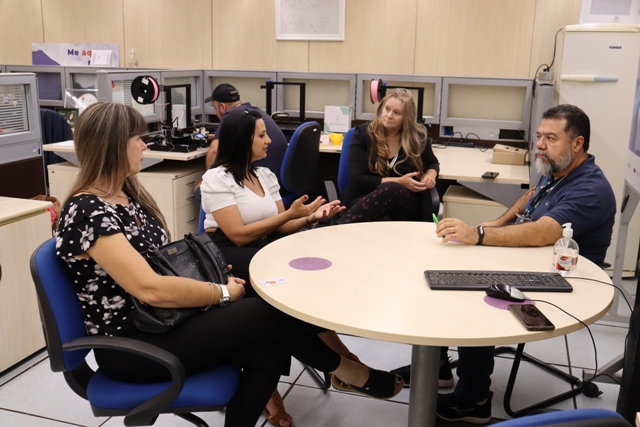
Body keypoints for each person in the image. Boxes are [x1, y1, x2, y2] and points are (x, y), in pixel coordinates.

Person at [54, 102, 403, 427]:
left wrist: (214, 279)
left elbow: (162, 264)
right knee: (267, 311)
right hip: (134, 344)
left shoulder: (127, 196)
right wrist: (220, 293)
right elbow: (150, 288)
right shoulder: (87, 211)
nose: (145, 146)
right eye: (138, 139)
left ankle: (338, 375)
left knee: (269, 349)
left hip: (162, 322)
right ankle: (349, 372)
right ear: (113, 144)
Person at [420, 104, 615, 424]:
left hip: (563, 283)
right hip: (531, 261)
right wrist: (493, 224)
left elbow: (543, 232)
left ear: (577, 144)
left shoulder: (590, 189)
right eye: (539, 136)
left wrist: (480, 235)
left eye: (550, 138)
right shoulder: (558, 170)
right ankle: (438, 366)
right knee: (445, 269)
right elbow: (530, 199)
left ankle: (473, 400)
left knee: (472, 296)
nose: (540, 144)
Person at [201, 108, 374, 426]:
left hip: (263, 247)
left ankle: (333, 365)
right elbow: (237, 235)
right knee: (285, 291)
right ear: (243, 140)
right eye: (262, 135)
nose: (269, 140)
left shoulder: (264, 175)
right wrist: (290, 215)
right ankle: (341, 363)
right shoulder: (217, 178)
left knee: (302, 284)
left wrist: (310, 217)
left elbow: (279, 228)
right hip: (226, 252)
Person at [335, 88, 440, 224]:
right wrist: (399, 181)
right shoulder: (363, 134)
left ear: (406, 118)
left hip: (403, 202)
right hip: (364, 196)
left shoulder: (417, 138)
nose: (389, 115)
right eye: (387, 109)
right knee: (380, 219)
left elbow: (433, 163)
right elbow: (357, 179)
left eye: (396, 113)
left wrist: (431, 175)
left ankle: (339, 227)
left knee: (391, 189)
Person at [193, 83, 288, 206]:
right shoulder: (254, 112)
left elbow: (214, 151)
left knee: (201, 191)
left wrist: (209, 179)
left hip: (262, 184)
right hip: (277, 180)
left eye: (215, 108)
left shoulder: (233, 115)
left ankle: (221, 223)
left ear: (222, 107)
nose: (216, 113)